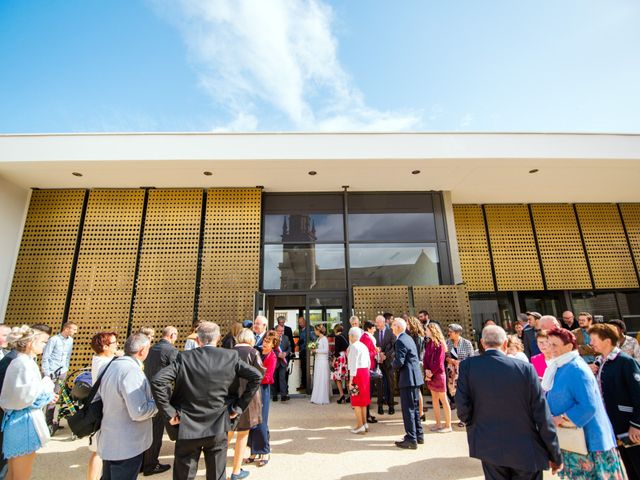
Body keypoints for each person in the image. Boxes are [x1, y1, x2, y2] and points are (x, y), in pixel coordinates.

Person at [151, 322, 262, 480]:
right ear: (218, 338)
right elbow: (256, 376)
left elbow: (157, 381)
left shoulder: (183, 357)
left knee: (184, 475)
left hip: (188, 425)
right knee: (216, 474)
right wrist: (238, 407)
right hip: (217, 425)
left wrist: (169, 412)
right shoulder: (229, 357)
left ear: (197, 339)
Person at [456, 325, 563, 479]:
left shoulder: (468, 366)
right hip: (525, 445)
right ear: (505, 344)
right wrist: (554, 453)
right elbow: (541, 414)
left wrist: (474, 424)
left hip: (488, 443)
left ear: (482, 343)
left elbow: (462, 407)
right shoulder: (525, 368)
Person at [545, 328, 626, 480]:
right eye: (549, 344)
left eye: (554, 345)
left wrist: (561, 418)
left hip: (589, 442)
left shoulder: (576, 368)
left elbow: (588, 406)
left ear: (569, 347)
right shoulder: (561, 366)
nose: (550, 348)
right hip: (572, 440)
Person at [97, 333, 157, 480]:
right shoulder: (131, 371)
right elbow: (138, 411)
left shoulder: (109, 366)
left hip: (110, 438)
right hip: (127, 444)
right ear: (143, 350)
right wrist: (158, 405)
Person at [0, 325, 56, 480]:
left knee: (12, 473)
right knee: (21, 474)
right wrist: (47, 388)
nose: (45, 346)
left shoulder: (20, 361)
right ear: (31, 342)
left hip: (15, 420)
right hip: (24, 422)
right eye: (43, 342)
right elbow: (29, 397)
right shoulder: (23, 364)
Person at [589, 323, 640, 480]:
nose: (591, 343)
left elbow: (638, 394)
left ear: (607, 340)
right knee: (628, 468)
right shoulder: (599, 362)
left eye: (593, 339)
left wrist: (636, 424)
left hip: (629, 426)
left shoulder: (626, 361)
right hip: (613, 426)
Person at [229, 329, 265, 480]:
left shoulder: (228, 353)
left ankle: (218, 466)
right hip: (248, 398)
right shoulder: (253, 352)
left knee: (227, 433)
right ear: (250, 339)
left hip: (231, 396)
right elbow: (259, 374)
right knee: (242, 434)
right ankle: (236, 471)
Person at [142, 326, 178, 476]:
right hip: (165, 394)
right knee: (172, 425)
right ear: (172, 335)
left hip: (149, 392)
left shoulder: (151, 349)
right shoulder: (171, 351)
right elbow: (179, 372)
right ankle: (151, 465)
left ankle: (145, 462)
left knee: (153, 430)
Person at [86, 332, 120, 480]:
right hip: (104, 409)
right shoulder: (104, 363)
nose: (117, 345)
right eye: (113, 343)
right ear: (105, 346)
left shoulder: (102, 359)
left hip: (104, 407)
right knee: (99, 451)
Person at [391, 318, 424, 449]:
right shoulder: (409, 338)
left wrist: (391, 365)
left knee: (408, 409)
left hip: (408, 379)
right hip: (415, 378)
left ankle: (411, 438)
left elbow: (399, 361)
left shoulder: (400, 341)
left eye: (393, 325)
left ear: (399, 327)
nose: (391, 327)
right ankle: (418, 435)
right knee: (415, 408)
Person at [248, 330, 278, 467]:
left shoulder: (272, 357)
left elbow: (268, 377)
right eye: (265, 341)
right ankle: (254, 451)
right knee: (252, 420)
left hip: (263, 390)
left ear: (273, 344)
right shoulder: (257, 352)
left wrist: (253, 376)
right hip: (253, 389)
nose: (264, 344)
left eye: (268, 342)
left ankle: (265, 451)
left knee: (262, 421)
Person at [41, 321, 77, 432]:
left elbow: (67, 356)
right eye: (74, 329)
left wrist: (65, 369)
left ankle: (49, 423)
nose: (75, 332)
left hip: (62, 371)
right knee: (45, 397)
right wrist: (47, 372)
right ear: (66, 329)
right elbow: (46, 356)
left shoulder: (70, 340)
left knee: (55, 397)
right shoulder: (54, 340)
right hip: (51, 371)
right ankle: (41, 423)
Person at [424, 323, 452, 433]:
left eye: (427, 330)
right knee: (434, 400)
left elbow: (440, 362)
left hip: (438, 375)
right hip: (430, 375)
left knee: (443, 400)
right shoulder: (429, 343)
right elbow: (425, 358)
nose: (425, 332)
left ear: (432, 330)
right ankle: (438, 423)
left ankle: (448, 425)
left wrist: (431, 372)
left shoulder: (440, 344)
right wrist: (426, 370)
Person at [346, 327, 370, 434]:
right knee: (363, 401)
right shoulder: (363, 346)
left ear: (351, 336)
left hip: (357, 374)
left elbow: (353, 365)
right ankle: (364, 423)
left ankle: (360, 425)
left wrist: (351, 380)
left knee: (356, 401)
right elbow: (369, 362)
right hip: (365, 373)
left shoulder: (354, 347)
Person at [374, 315, 396, 415]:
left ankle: (391, 405)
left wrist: (385, 356)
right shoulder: (374, 333)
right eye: (376, 322)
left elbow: (394, 346)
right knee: (379, 384)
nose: (376, 324)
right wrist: (378, 355)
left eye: (378, 322)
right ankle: (380, 406)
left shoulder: (390, 332)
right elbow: (373, 346)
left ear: (383, 322)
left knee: (391, 384)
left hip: (389, 362)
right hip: (378, 363)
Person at [406, 316, 426, 420]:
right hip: (417, 364)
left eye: (408, 324)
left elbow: (417, 354)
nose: (407, 326)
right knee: (416, 390)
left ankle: (421, 413)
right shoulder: (415, 336)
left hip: (417, 365)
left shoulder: (417, 338)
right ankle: (419, 412)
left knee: (417, 390)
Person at [360, 321, 378, 424]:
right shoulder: (366, 338)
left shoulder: (366, 337)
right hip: (368, 367)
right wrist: (376, 351)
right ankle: (366, 415)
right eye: (373, 327)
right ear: (369, 328)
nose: (375, 329)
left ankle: (367, 414)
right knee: (368, 392)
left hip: (369, 366)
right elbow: (366, 353)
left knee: (369, 392)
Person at [310, 325, 331, 405]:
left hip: (323, 361)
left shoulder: (324, 339)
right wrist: (313, 350)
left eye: (315, 330)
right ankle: (316, 397)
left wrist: (316, 350)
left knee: (322, 378)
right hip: (318, 360)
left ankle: (322, 398)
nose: (314, 332)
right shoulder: (318, 339)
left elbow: (326, 350)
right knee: (317, 378)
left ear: (319, 330)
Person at [272, 324, 291, 402]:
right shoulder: (272, 338)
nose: (281, 332)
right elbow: (270, 349)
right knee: (274, 379)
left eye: (282, 331)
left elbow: (289, 348)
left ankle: (283, 395)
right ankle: (274, 395)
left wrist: (286, 353)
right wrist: (277, 354)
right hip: (274, 361)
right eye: (279, 331)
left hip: (283, 361)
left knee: (282, 378)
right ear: (276, 331)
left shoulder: (286, 338)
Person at [331, 324, 349, 404]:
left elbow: (337, 350)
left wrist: (333, 360)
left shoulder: (338, 337)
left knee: (337, 377)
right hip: (346, 357)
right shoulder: (345, 336)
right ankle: (350, 395)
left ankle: (342, 395)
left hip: (340, 358)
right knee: (347, 377)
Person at [296, 317, 315, 392]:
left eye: (301, 322)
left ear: (305, 321)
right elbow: (302, 339)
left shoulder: (310, 329)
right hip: (302, 351)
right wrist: (298, 343)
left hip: (307, 351)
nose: (300, 324)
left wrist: (309, 348)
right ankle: (303, 384)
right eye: (299, 322)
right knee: (303, 368)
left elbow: (313, 339)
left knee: (306, 369)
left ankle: (306, 385)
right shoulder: (301, 329)